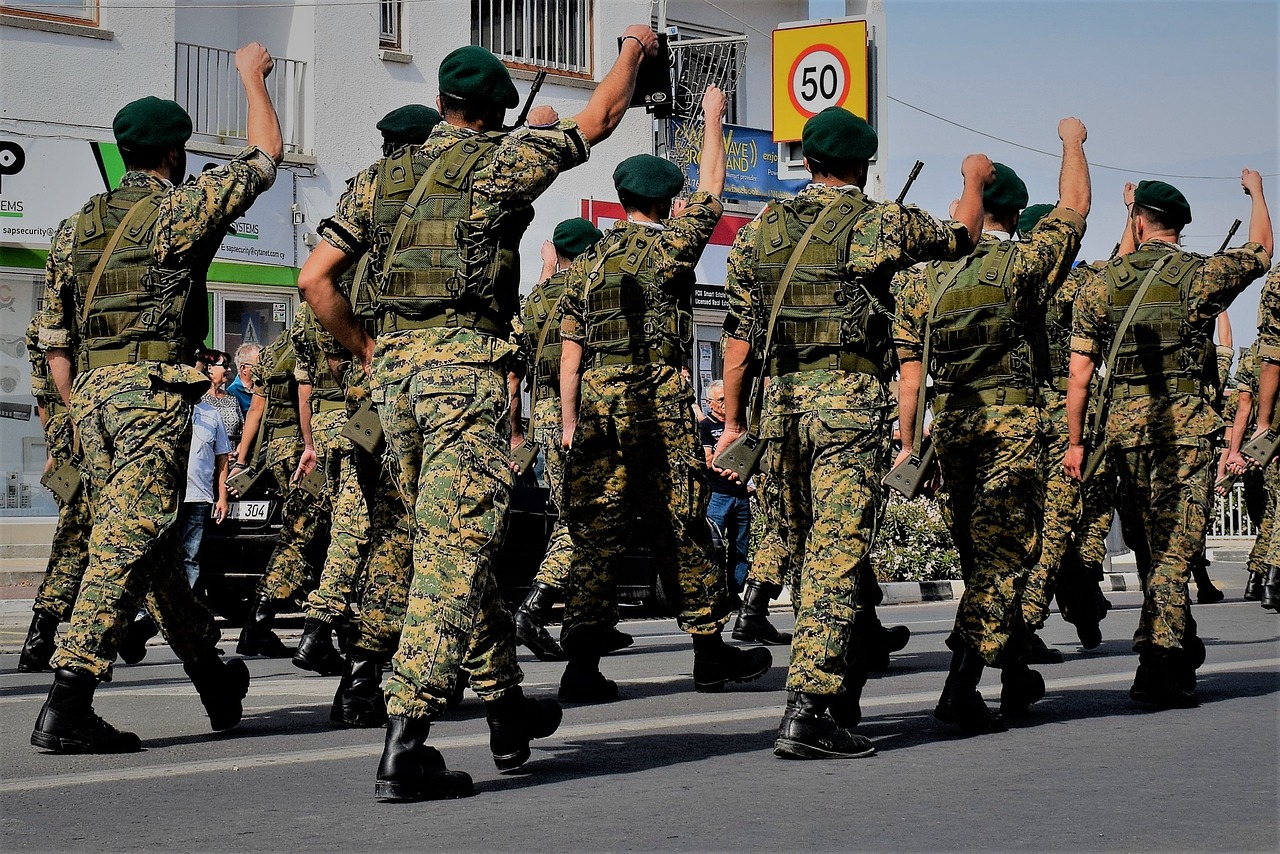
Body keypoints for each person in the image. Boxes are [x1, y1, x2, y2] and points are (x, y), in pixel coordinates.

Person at [298, 32, 660, 801]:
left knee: (453, 540)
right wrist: (632, 46)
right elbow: (599, 116)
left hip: (394, 380)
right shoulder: (501, 161)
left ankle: (504, 709)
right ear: (495, 114)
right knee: (452, 553)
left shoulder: (377, 182)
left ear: (439, 107)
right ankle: (408, 738)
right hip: (464, 376)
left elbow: (315, 281)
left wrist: (367, 347)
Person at [715, 104, 992, 758]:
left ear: (807, 161)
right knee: (838, 550)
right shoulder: (876, 221)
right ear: (862, 165)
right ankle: (810, 709)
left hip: (777, 405)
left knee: (808, 550)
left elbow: (735, 338)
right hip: (846, 402)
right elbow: (961, 238)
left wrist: (732, 421)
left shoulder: (759, 232)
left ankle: (840, 686)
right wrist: (975, 181)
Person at [30, 44, 284, 753]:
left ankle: (212, 676)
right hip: (147, 398)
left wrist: (79, 409)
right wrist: (250, 78)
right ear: (173, 154)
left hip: (89, 399)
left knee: (158, 549)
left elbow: (55, 341)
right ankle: (67, 699)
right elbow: (266, 155)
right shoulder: (178, 210)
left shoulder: (74, 226)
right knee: (125, 543)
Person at [559, 88, 772, 706]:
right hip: (657, 402)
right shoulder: (670, 248)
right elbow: (711, 187)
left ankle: (580, 667)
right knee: (681, 526)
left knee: (596, 536)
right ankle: (709, 653)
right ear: (664, 202)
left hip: (598, 407)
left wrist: (570, 422)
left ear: (624, 200)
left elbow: (570, 355)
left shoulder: (588, 265)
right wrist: (710, 117)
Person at [895, 120, 1090, 734]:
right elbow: (1075, 208)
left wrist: (910, 444)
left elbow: (910, 372)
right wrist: (1071, 143)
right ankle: (961, 687)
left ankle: (1012, 673)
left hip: (949, 428)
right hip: (1011, 428)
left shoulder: (924, 279)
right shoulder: (1024, 266)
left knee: (978, 553)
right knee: (1001, 560)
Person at [1064, 172, 1273, 707]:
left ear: (1137, 220)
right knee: (1174, 552)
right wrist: (1256, 193)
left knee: (1153, 549)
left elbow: (1081, 372)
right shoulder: (1199, 276)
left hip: (1123, 436)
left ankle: (1170, 644)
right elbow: (1261, 252)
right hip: (1184, 433)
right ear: (1181, 226)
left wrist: (1075, 442)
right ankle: (1158, 663)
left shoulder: (1100, 282)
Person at [511, 216, 636, 663]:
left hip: (542, 412)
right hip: (576, 413)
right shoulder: (587, 290)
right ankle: (535, 607)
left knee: (586, 514)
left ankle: (599, 621)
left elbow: (516, 362)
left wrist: (515, 430)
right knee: (583, 520)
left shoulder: (537, 300)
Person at [232, 317, 331, 658]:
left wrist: (243, 461)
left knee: (307, 533)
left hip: (276, 449)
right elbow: (306, 396)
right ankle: (259, 624)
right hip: (302, 448)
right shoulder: (312, 344)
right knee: (303, 536)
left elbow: (256, 412)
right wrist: (311, 444)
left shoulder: (273, 352)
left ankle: (262, 625)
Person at [16, 309, 89, 673]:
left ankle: (41, 639)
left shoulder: (41, 324)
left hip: (64, 430)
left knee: (84, 534)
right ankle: (40, 637)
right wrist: (77, 424)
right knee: (80, 536)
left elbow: (42, 398)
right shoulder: (84, 313)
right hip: (88, 426)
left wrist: (53, 444)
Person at [180, 367, 233, 589]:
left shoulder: (211, 415)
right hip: (170, 496)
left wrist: (222, 498)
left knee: (190, 557)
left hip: (199, 496)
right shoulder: (171, 412)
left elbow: (222, 459)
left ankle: (185, 606)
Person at [700, 380, 752, 594]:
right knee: (715, 545)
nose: (725, 404)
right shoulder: (705, 426)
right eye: (721, 400)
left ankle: (735, 591)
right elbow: (709, 461)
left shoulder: (740, 424)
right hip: (718, 494)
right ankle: (715, 591)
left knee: (740, 545)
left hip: (741, 493)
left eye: (728, 399)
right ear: (709, 403)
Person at [201, 348, 244, 444]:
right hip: (207, 456)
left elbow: (243, 429)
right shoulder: (199, 399)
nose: (229, 369)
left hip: (232, 457)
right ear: (209, 368)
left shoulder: (232, 398)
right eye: (224, 365)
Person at [226, 342, 260, 415]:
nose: (263, 369)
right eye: (259, 365)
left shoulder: (263, 388)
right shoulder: (232, 393)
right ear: (243, 368)